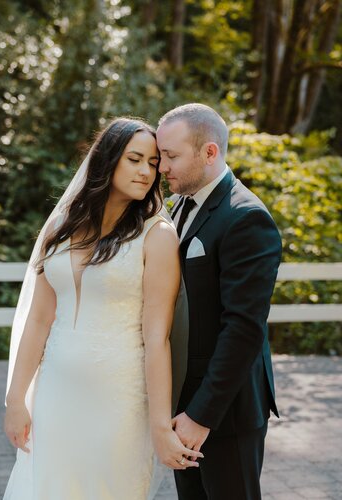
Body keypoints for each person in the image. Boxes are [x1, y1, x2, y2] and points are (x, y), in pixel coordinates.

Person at [3, 117, 202, 500]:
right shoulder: (60, 226)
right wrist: (16, 400)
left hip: (119, 400)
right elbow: (39, 319)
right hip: (55, 394)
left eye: (153, 162)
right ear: (108, 159)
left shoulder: (156, 235)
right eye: (135, 159)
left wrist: (161, 426)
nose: (147, 171)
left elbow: (156, 337)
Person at [156, 103, 282, 500]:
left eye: (171, 156)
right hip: (184, 405)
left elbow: (243, 329)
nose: (162, 167)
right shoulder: (180, 207)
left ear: (209, 153)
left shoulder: (246, 218)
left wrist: (201, 416)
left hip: (224, 414)